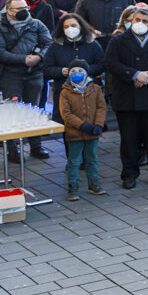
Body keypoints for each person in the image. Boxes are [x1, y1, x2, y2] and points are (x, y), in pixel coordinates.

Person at [102, 3, 148, 188]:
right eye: (137, 20)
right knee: (129, 139)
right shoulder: (118, 40)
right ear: (130, 20)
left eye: (145, 21)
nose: (140, 23)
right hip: (127, 96)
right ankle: (129, 174)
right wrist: (134, 75)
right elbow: (111, 63)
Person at [0, 0, 51, 162]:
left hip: (34, 74)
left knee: (34, 110)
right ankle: (12, 149)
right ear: (9, 11)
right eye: (19, 9)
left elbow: (49, 43)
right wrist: (23, 60)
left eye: (25, 8)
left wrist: (39, 57)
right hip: (11, 76)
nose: (24, 11)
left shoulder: (36, 24)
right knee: (12, 111)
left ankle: (36, 146)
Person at [56, 60, 107, 199]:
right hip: (75, 133)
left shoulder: (96, 89)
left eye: (80, 71)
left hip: (93, 132)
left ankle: (94, 184)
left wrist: (98, 125)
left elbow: (101, 107)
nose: (76, 74)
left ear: (86, 73)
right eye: (73, 71)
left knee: (92, 158)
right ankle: (73, 187)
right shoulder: (65, 93)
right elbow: (66, 114)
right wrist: (82, 125)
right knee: (74, 161)